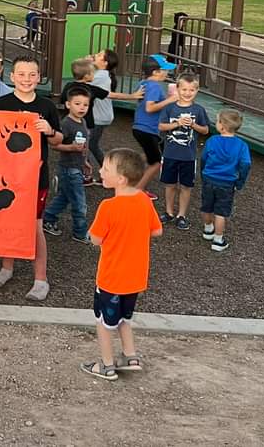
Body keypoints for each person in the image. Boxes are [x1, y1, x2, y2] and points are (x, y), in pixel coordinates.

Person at [81, 148, 163, 381]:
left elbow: (95, 239)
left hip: (111, 277)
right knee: (124, 319)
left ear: (121, 179)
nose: (100, 172)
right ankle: (131, 356)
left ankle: (106, 365)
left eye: (105, 169)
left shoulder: (108, 207)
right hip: (136, 276)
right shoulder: (144, 201)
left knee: (104, 322)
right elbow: (156, 231)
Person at [0, 56, 63, 302]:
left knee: (35, 226)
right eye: (21, 74)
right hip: (7, 174)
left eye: (32, 75)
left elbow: (58, 140)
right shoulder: (1, 103)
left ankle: (41, 278)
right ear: (11, 77)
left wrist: (49, 130)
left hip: (35, 176)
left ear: (39, 77)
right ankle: (7, 266)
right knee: (7, 219)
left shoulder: (46, 106)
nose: (26, 80)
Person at [61, 57, 144, 186]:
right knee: (88, 147)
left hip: (70, 123)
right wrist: (133, 96)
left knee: (76, 148)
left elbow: (62, 100)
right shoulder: (90, 89)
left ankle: (82, 175)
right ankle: (100, 172)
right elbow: (112, 95)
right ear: (88, 75)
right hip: (87, 124)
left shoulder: (68, 86)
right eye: (93, 73)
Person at [156, 73, 210, 229]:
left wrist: (193, 125)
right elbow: (161, 126)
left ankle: (182, 214)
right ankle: (168, 212)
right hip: (170, 154)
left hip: (188, 156)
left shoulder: (199, 110)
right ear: (177, 89)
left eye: (191, 90)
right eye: (184, 89)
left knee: (186, 187)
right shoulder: (169, 108)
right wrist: (177, 123)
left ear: (197, 91)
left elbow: (205, 130)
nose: (187, 93)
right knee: (170, 185)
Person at [42, 84, 93, 242]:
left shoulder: (82, 121)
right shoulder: (66, 124)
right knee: (79, 202)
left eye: (85, 104)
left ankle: (48, 218)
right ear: (68, 104)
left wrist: (85, 161)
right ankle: (80, 232)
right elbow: (55, 145)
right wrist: (70, 147)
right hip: (69, 168)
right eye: (77, 104)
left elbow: (84, 144)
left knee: (64, 197)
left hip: (76, 166)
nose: (82, 108)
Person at [200, 109, 252, 253]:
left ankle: (208, 228)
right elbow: (246, 164)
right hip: (227, 182)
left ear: (222, 126)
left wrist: (203, 173)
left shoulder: (212, 141)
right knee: (221, 212)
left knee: (206, 206)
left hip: (209, 178)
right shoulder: (242, 145)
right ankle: (218, 239)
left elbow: (204, 158)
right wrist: (239, 182)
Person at [132, 54, 179, 199]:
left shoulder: (143, 83)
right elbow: (150, 108)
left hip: (140, 127)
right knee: (156, 163)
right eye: (165, 69)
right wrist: (171, 99)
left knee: (149, 155)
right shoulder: (154, 86)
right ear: (156, 72)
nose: (167, 72)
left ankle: (129, 165)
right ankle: (138, 190)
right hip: (147, 129)